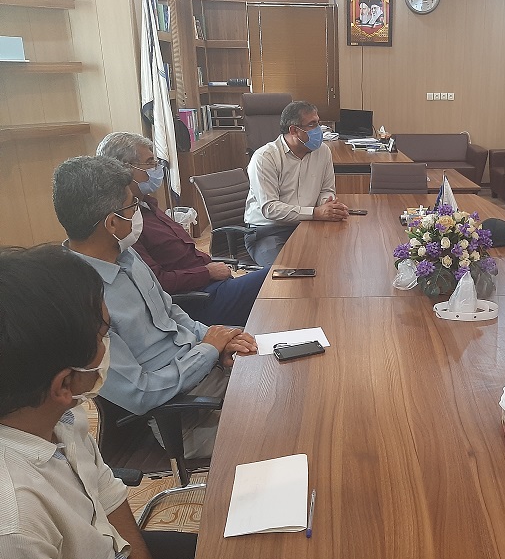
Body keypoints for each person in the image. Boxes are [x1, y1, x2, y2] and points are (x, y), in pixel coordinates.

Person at [0, 244, 198, 559]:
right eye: (104, 334)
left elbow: (105, 491)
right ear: (64, 384)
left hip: (111, 547)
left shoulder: (60, 414)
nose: (109, 345)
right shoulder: (16, 524)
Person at [53, 156, 258, 459]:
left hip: (210, 375)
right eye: (132, 207)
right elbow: (140, 393)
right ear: (112, 223)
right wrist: (208, 351)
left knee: (292, 379)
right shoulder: (79, 300)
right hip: (183, 419)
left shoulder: (125, 255)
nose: (139, 213)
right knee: (291, 425)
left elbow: (170, 311)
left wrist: (218, 339)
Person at [96, 132, 268, 327]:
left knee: (281, 281)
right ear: (125, 168)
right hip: (199, 300)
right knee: (275, 277)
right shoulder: (126, 223)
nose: (157, 167)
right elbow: (155, 282)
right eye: (150, 162)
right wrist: (207, 272)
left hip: (215, 284)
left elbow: (185, 254)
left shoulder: (147, 205)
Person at [243, 100, 349, 268]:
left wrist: (327, 205)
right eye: (312, 124)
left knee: (337, 260)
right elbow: (270, 208)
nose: (319, 130)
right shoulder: (265, 158)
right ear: (294, 130)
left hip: (308, 225)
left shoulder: (323, 151)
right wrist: (315, 213)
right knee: (285, 272)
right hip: (268, 231)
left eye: (318, 122)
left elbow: (326, 189)